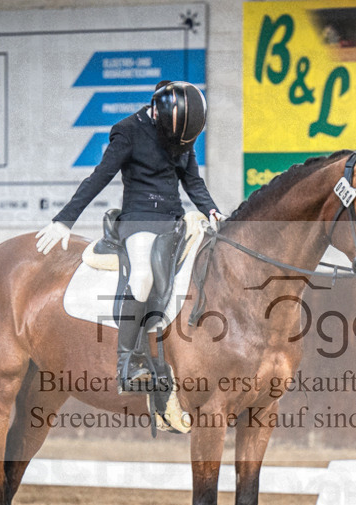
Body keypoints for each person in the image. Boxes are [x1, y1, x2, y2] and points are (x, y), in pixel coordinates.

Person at [35, 81, 222, 391]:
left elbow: (193, 182)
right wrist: (64, 221)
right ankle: (126, 361)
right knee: (143, 277)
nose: (181, 148)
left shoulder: (181, 133)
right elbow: (99, 177)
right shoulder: (128, 131)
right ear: (158, 116)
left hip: (175, 220)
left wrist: (213, 211)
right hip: (139, 220)